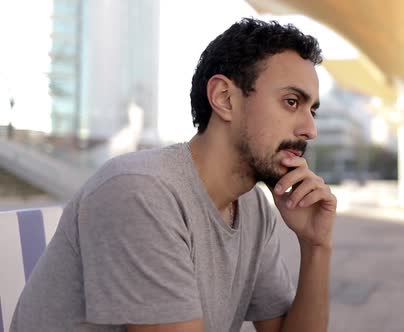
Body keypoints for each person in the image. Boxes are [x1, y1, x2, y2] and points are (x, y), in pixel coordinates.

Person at [10, 18, 335, 332]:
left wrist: (315, 245)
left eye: (312, 110)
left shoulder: (253, 208)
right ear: (224, 98)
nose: (310, 130)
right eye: (291, 102)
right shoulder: (140, 191)